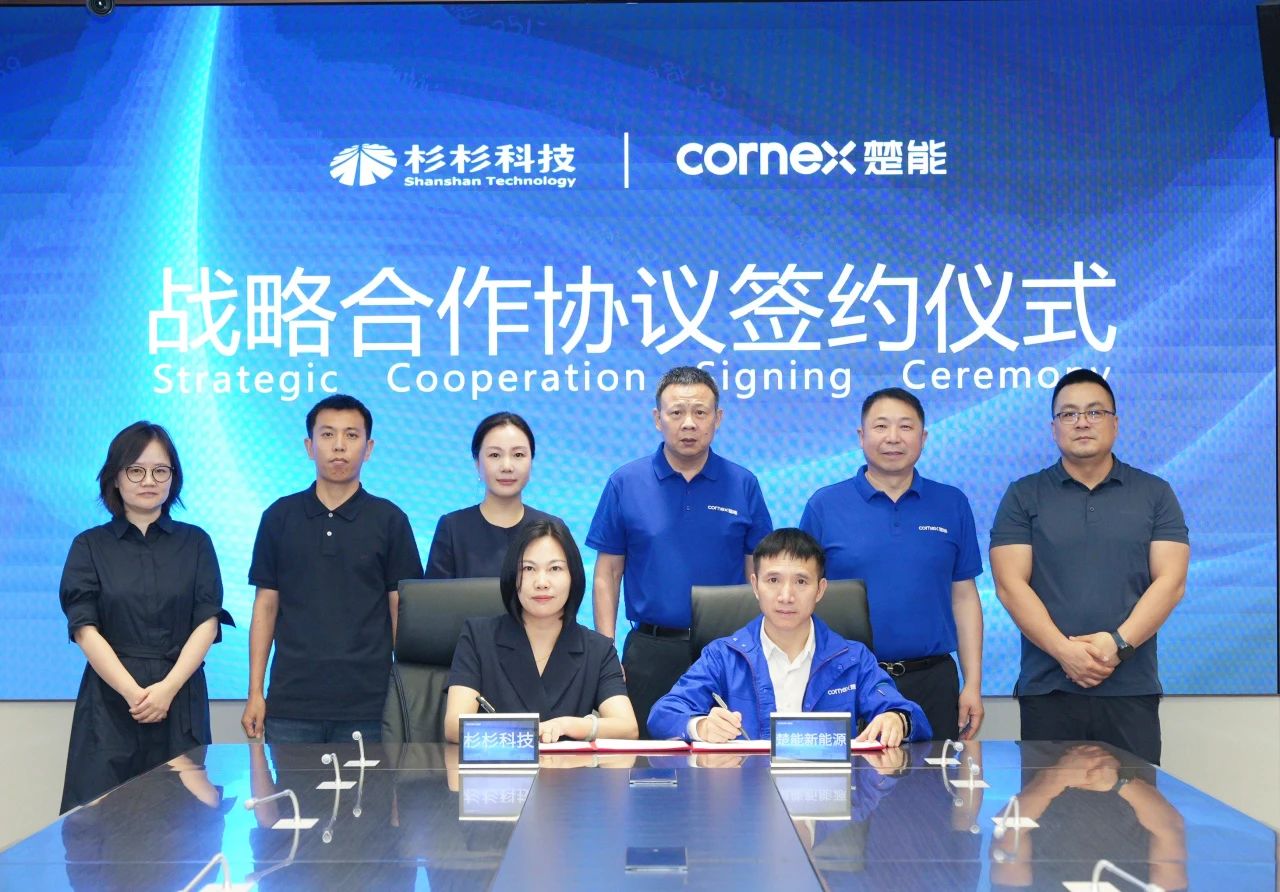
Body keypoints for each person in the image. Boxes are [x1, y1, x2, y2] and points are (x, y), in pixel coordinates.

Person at [990, 369, 1190, 765]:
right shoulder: (1023, 495)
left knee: (1134, 800)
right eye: (1069, 414)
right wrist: (1064, 652)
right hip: (1048, 689)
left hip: (1131, 687)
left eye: (1095, 412)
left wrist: (1117, 646)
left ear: (1115, 423)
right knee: (1051, 803)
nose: (1082, 422)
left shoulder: (1155, 493)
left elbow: (1171, 582)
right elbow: (1010, 586)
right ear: (1054, 428)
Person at [587, 365, 773, 734]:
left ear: (717, 418)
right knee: (644, 758)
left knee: (731, 754)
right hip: (650, 650)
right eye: (676, 412)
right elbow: (607, 573)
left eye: (700, 412)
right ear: (658, 419)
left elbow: (759, 573)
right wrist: (606, 652)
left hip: (728, 651)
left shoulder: (743, 484)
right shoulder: (626, 482)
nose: (689, 423)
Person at [59, 421, 232, 812]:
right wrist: (134, 694)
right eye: (136, 470)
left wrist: (166, 690)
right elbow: (84, 628)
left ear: (174, 478)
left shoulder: (196, 542)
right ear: (115, 478)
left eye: (160, 471)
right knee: (101, 824)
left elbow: (208, 622)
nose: (149, 480)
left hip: (179, 696)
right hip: (110, 701)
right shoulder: (89, 546)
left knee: (184, 824)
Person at [800, 387, 984, 741]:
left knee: (935, 777)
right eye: (881, 426)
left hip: (933, 680)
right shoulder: (825, 505)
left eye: (906, 426)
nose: (893, 438)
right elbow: (802, 596)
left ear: (923, 437)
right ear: (861, 436)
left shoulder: (952, 503)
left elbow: (964, 597)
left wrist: (973, 684)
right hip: (846, 678)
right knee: (846, 778)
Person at [240, 394, 422, 744]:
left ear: (368, 448)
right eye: (327, 434)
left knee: (373, 784)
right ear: (309, 446)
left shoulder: (390, 520)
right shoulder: (279, 517)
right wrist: (255, 692)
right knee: (289, 784)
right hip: (291, 704)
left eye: (351, 435)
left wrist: (408, 696)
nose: (339, 446)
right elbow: (265, 607)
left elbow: (401, 610)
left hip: (371, 706)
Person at [648, 528, 930, 745]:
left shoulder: (853, 658)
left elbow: (911, 715)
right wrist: (700, 726)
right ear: (755, 586)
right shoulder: (723, 656)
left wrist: (897, 719)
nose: (786, 596)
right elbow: (663, 714)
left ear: (820, 590)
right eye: (773, 580)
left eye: (801, 581)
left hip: (830, 795)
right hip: (746, 794)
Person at [444, 518, 639, 743]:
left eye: (555, 568)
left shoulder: (598, 650)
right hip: (500, 764)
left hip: (567, 767)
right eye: (528, 568)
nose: (542, 582)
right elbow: (455, 726)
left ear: (573, 576)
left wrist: (567, 725)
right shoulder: (478, 637)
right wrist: (528, 733)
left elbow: (627, 728)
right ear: (512, 576)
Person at [424, 412, 558, 579]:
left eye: (518, 455)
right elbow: (434, 594)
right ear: (477, 463)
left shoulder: (552, 529)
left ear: (531, 461)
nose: (507, 466)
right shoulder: (452, 529)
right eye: (495, 455)